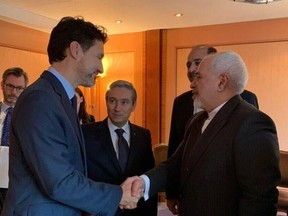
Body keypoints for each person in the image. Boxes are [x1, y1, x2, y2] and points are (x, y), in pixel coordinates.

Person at [1, 16, 140, 216]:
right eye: (99, 57)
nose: (101, 68)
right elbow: (58, 181)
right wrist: (117, 195)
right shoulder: (40, 99)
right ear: (75, 50)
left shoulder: (59, 98)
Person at [132, 51, 280, 216]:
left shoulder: (253, 124)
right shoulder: (197, 120)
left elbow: (259, 201)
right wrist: (143, 182)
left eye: (199, 77)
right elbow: (175, 164)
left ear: (221, 82)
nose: (192, 84)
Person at [167, 45, 259, 158]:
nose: (191, 69)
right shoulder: (192, 116)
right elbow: (174, 156)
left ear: (221, 81)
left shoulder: (254, 118)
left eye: (198, 63)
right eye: (188, 65)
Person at [82, 80, 158, 216]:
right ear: (106, 102)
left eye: (124, 102)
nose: (117, 108)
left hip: (135, 211)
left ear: (133, 105)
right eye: (112, 101)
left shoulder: (143, 135)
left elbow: (148, 179)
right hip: (101, 211)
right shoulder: (86, 133)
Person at [0, 67, 28, 213]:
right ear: (2, 85)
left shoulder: (30, 116)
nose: (14, 92)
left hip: (16, 181)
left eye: (19, 88)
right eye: (10, 86)